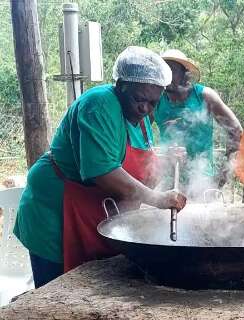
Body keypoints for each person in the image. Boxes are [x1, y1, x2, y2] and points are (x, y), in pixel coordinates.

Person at [13, 46, 187, 288]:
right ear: (121, 85)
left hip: (94, 209)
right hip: (56, 207)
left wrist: (165, 158)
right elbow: (103, 172)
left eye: (153, 102)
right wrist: (156, 199)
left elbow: (137, 161)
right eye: (139, 99)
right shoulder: (99, 105)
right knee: (57, 291)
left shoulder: (142, 117)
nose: (145, 109)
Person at [153, 49, 243, 197]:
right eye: (163, 70)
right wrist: (162, 158)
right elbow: (142, 137)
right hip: (169, 180)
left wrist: (224, 173)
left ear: (185, 74)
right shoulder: (155, 99)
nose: (166, 75)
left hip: (202, 179)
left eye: (172, 70)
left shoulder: (205, 96)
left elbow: (235, 130)